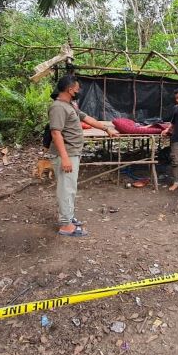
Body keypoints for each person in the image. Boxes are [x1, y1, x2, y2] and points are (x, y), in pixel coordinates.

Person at [49, 75, 118, 236]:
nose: (79, 91)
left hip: (72, 152)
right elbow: (55, 133)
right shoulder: (58, 107)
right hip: (66, 154)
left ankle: (68, 216)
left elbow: (86, 118)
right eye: (77, 88)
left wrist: (106, 129)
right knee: (66, 189)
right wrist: (65, 157)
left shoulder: (70, 105)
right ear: (70, 89)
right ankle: (66, 226)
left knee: (70, 188)